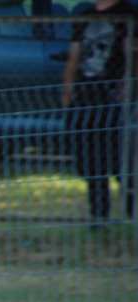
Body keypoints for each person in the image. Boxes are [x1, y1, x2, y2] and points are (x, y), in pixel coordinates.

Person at [63, 0, 138, 222]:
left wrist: (128, 85)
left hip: (114, 101)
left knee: (120, 162)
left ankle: (132, 214)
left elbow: (133, 55)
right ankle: (98, 215)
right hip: (86, 100)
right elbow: (74, 57)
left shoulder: (129, 14)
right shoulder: (84, 14)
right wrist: (67, 91)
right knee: (91, 162)